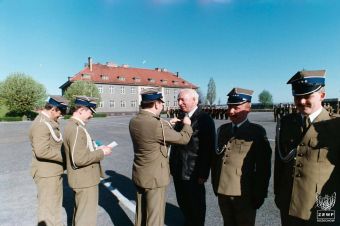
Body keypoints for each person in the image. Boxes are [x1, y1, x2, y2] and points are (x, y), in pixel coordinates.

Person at [274, 70, 339, 225]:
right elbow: (280, 163)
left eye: (307, 96)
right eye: (297, 97)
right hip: (288, 205)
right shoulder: (286, 123)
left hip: (321, 208)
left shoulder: (336, 126)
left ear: (322, 96)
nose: (301, 102)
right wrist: (279, 194)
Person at [129, 88, 193, 226]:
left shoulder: (134, 121)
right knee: (154, 219)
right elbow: (183, 139)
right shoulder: (158, 125)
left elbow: (151, 134)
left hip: (140, 174)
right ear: (157, 104)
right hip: (155, 178)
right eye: (161, 103)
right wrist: (187, 125)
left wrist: (168, 124)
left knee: (141, 216)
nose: (162, 106)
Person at [211, 88, 272, 226]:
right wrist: (215, 185)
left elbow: (263, 167)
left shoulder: (256, 132)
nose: (231, 111)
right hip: (222, 191)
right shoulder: (222, 130)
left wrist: (260, 193)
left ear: (248, 108)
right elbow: (216, 160)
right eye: (229, 107)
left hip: (244, 194)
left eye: (236, 108)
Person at [63, 96, 112, 226]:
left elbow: (81, 150)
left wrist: (96, 148)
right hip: (85, 180)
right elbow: (79, 159)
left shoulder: (74, 125)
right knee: (86, 219)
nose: (91, 116)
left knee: (80, 214)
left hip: (82, 179)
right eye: (90, 112)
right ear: (81, 110)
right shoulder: (77, 129)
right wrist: (102, 152)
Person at [170, 88, 216, 226]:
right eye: (178, 99)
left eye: (183, 99)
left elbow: (208, 148)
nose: (179, 102)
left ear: (194, 100)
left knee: (196, 206)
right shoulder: (181, 116)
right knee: (183, 202)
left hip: (193, 171)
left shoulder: (204, 119)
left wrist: (203, 173)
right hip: (179, 169)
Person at [29, 96, 68, 226]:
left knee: (54, 206)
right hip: (46, 173)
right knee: (47, 209)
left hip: (52, 172)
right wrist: (66, 157)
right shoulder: (42, 124)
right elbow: (42, 151)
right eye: (60, 111)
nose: (61, 115)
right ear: (53, 109)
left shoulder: (48, 121)